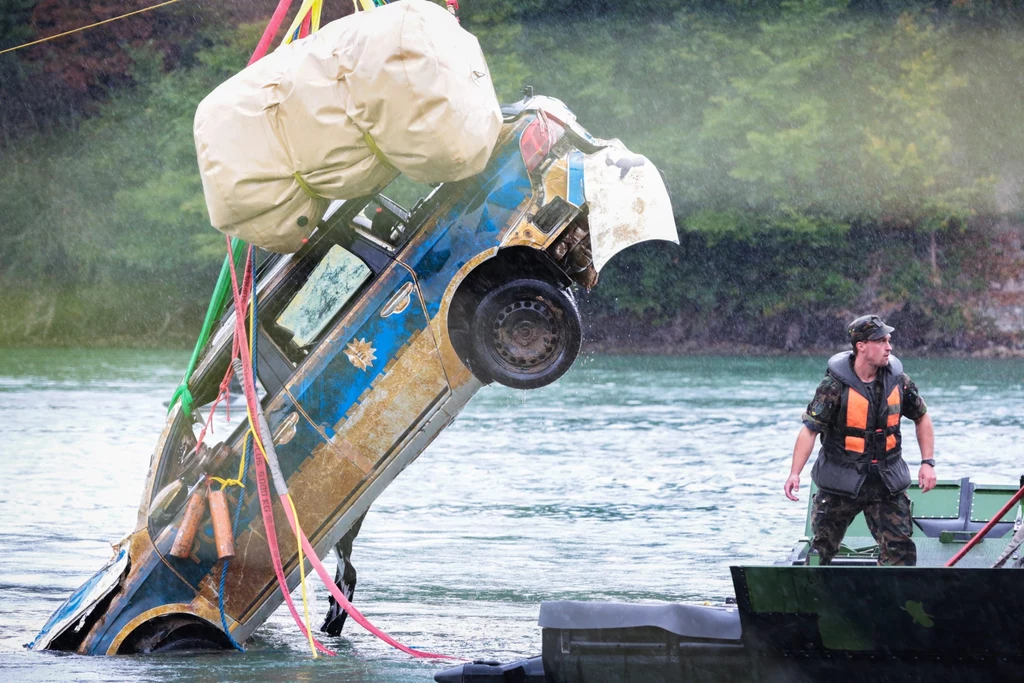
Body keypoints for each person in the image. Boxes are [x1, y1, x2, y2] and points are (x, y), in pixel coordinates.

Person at [783, 314, 936, 566]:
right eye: (881, 341)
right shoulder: (833, 386)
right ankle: (813, 600)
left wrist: (927, 462)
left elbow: (922, 418)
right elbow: (810, 430)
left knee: (900, 552)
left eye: (889, 340)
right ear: (861, 346)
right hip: (840, 481)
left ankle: (893, 601)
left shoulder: (899, 381)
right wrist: (794, 473)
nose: (889, 347)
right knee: (821, 549)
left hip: (885, 481)